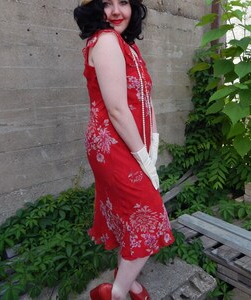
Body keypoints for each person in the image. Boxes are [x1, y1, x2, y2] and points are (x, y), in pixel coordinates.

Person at [73, 0, 174, 299]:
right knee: (149, 216)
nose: (117, 11)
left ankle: (125, 279)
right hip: (112, 144)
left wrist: (152, 142)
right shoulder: (105, 41)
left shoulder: (127, 44)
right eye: (107, 3)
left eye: (124, 2)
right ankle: (114, 294)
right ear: (94, 9)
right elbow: (117, 108)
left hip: (131, 141)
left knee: (129, 216)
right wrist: (143, 156)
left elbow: (145, 98)